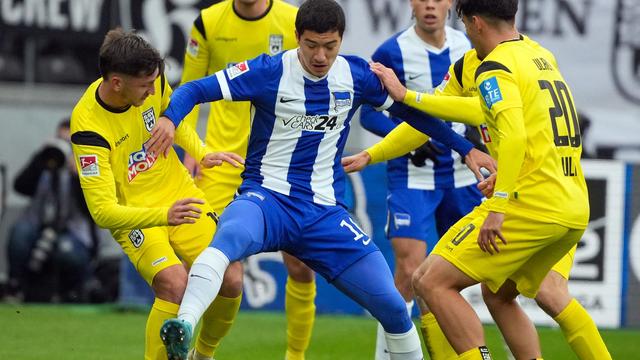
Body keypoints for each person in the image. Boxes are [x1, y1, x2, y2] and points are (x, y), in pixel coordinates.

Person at [150, 1, 495, 359]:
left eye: (329, 46)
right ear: (297, 37)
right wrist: (170, 119)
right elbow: (192, 90)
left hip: (325, 215)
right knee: (224, 245)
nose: (320, 56)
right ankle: (185, 327)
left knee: (393, 306)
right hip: (267, 199)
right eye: (311, 45)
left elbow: (414, 115)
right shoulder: (268, 71)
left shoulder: (357, 75)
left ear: (341, 40)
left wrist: (465, 149)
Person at [348, 0, 608, 358]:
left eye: (465, 24)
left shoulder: (494, 67)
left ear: (476, 22)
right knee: (501, 294)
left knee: (428, 281)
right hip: (571, 202)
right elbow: (439, 119)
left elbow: (513, 134)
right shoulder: (537, 56)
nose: (465, 32)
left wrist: (500, 203)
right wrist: (372, 154)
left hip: (528, 203)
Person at [69, 29, 244, 360]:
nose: (153, 90)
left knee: (231, 276)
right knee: (174, 284)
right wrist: (164, 216)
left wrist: (202, 153)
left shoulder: (153, 83)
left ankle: (203, 355)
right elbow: (102, 212)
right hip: (136, 215)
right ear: (117, 83)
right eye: (145, 85)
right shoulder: (89, 128)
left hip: (179, 194)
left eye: (155, 83)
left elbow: (173, 121)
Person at [179, 1, 316, 359]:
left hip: (282, 161)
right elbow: (190, 87)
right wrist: (191, 150)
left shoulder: (292, 20)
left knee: (300, 265)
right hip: (222, 162)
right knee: (211, 268)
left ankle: (295, 356)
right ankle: (201, 352)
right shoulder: (209, 22)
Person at [358, 1, 481, 358]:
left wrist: (477, 136)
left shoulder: (468, 46)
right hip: (412, 177)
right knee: (411, 270)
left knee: (476, 276)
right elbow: (368, 113)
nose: (430, 4)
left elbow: (481, 102)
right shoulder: (392, 51)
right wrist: (407, 136)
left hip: (462, 177)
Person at [6, 119, 96, 302]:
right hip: (37, 223)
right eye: (60, 140)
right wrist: (40, 159)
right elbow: (20, 186)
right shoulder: (44, 163)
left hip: (71, 229)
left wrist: (80, 177)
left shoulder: (85, 165)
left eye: (69, 143)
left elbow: (93, 209)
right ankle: (15, 288)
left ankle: (69, 293)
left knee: (67, 252)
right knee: (19, 235)